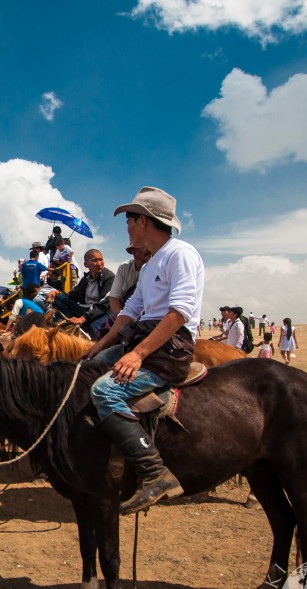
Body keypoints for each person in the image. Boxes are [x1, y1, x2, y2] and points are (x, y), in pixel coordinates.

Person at [82, 187, 203, 515]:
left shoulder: (181, 254)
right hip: (142, 340)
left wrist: (136, 355)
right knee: (85, 371)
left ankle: (154, 472)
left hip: (169, 349)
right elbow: (129, 311)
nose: (127, 227)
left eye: (129, 221)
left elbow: (179, 313)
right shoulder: (149, 266)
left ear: (144, 222)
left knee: (105, 391)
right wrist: (100, 346)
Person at [55, 249, 116, 336]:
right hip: (84, 310)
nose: (99, 263)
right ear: (86, 264)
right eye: (95, 260)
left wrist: (83, 318)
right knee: (57, 299)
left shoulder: (109, 277)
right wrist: (58, 293)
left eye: (101, 259)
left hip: (101, 312)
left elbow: (104, 304)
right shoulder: (86, 279)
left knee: (98, 333)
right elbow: (72, 296)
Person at [108, 245, 152, 316]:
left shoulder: (157, 267)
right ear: (133, 250)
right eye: (144, 245)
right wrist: (121, 319)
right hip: (124, 312)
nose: (149, 249)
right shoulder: (124, 268)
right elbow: (114, 298)